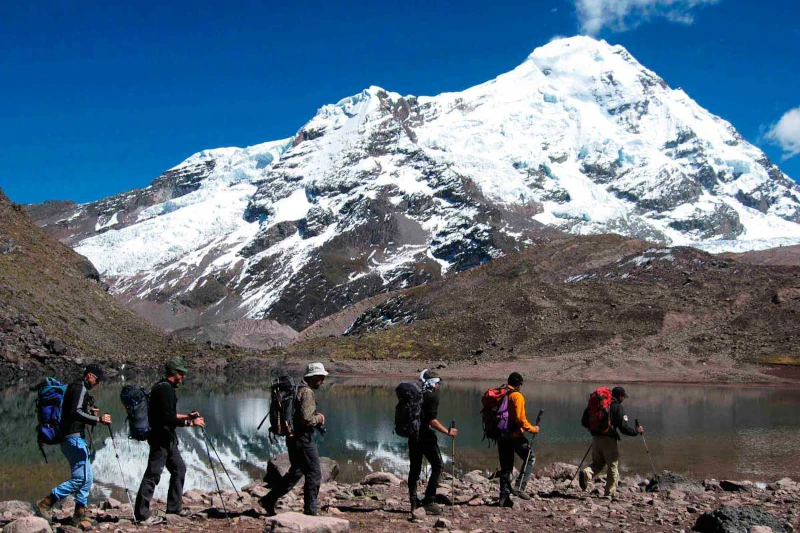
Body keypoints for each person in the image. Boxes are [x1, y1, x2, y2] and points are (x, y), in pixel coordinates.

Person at [34, 364, 112, 526]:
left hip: (72, 437)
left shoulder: (73, 387)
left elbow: (73, 412)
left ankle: (79, 513)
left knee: (87, 477)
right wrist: (97, 419)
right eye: (97, 380)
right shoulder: (79, 388)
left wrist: (90, 414)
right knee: (81, 478)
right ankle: (46, 502)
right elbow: (74, 412)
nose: (97, 384)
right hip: (73, 438)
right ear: (90, 376)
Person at [134, 358, 205, 525]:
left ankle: (174, 508)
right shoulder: (165, 389)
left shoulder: (163, 387)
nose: (183, 376)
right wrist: (190, 422)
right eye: (181, 373)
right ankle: (142, 514)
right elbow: (167, 418)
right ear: (174, 373)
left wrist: (187, 416)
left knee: (179, 469)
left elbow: (168, 415)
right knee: (153, 474)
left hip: (167, 439)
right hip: (160, 439)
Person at [259, 362, 329, 517]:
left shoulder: (295, 389)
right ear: (314, 377)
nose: (323, 381)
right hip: (303, 439)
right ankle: (311, 511)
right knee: (314, 473)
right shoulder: (307, 392)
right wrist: (319, 418)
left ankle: (269, 500)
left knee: (296, 471)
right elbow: (307, 419)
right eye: (321, 378)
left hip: (291, 437)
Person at [408, 369, 457, 516]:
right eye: (437, 383)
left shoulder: (416, 394)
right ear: (433, 383)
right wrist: (448, 432)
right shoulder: (432, 397)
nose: (438, 386)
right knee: (437, 465)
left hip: (413, 436)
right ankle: (429, 500)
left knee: (415, 469)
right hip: (426, 437)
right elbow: (432, 420)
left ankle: (414, 501)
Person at [579, 386, 644, 497]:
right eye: (623, 397)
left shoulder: (597, 405)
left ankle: (587, 473)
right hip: (609, 440)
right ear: (620, 396)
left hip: (596, 439)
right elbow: (624, 428)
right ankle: (610, 492)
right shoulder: (617, 407)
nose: (623, 399)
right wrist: (636, 432)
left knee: (598, 463)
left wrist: (596, 428)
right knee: (612, 466)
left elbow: (584, 422)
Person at [497, 372, 540, 508]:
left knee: (506, 466)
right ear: (518, 383)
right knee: (530, 458)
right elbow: (520, 419)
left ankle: (503, 498)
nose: (521, 386)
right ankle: (520, 487)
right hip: (514, 435)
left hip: (500, 435)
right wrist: (533, 429)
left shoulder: (501, 393)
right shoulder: (517, 396)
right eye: (521, 383)